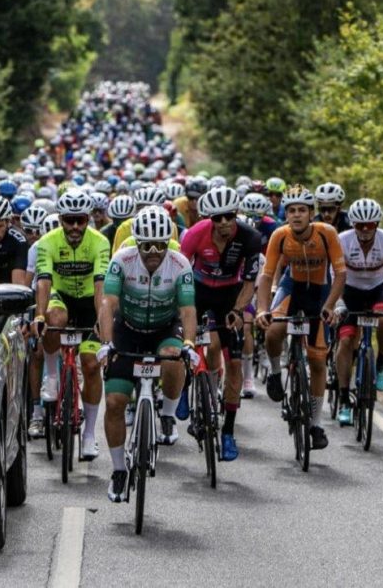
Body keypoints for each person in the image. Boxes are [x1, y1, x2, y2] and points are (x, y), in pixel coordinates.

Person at [98, 207, 198, 502]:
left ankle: (167, 415)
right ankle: (118, 470)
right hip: (127, 328)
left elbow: (188, 309)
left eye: (160, 245)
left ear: (169, 242)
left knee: (172, 354)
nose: (154, 252)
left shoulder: (180, 264)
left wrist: (190, 343)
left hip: (164, 327)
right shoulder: (122, 261)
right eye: (146, 246)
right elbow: (109, 302)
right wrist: (106, 342)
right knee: (115, 402)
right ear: (136, 242)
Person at [256, 185, 346, 451]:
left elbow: (340, 274)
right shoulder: (280, 235)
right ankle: (274, 372)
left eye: (302, 211)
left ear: (311, 213)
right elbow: (267, 274)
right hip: (291, 288)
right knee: (272, 331)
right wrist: (262, 309)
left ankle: (316, 424)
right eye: (291, 210)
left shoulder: (327, 233)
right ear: (286, 213)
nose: (296, 215)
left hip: (320, 293)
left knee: (318, 361)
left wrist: (330, 305)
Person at [180, 187, 262, 460]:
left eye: (229, 216)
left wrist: (238, 311)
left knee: (235, 363)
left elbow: (250, 283)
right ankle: (183, 385)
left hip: (230, 294)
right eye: (218, 218)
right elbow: (181, 272)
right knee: (195, 342)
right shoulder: (195, 235)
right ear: (209, 219)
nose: (225, 222)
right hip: (199, 292)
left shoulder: (250, 237)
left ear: (236, 214)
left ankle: (228, 431)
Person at [33, 189, 110, 460]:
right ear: (61, 218)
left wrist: (101, 320)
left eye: (81, 220)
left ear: (88, 219)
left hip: (89, 301)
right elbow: (43, 281)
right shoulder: (47, 242)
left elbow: (101, 285)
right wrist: (40, 316)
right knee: (54, 319)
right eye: (69, 220)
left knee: (90, 364)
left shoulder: (99, 242)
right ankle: (52, 376)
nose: (75, 226)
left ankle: (89, 435)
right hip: (61, 297)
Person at [334, 199, 383, 424]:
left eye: (370, 224)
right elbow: (333, 275)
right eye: (360, 225)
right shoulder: (342, 240)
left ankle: (381, 362)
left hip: (377, 290)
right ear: (353, 224)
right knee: (346, 342)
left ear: (377, 223)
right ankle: (344, 399)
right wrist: (337, 303)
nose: (365, 230)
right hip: (349, 292)